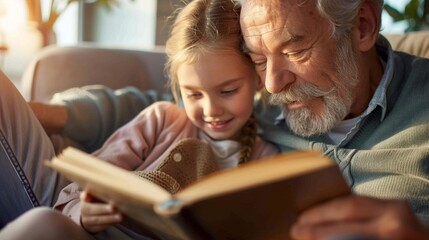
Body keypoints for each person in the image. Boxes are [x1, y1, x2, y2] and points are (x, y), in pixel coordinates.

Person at [1, 0, 429, 239]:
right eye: (258, 61)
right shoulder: (258, 100)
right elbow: (163, 102)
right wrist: (55, 111)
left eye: (297, 52)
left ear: (363, 26)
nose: (274, 85)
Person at [1, 0, 277, 239]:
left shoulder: (267, 160)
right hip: (100, 235)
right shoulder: (162, 119)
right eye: (193, 94)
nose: (211, 109)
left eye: (228, 91)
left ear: (258, 80)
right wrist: (83, 213)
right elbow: (83, 186)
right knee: (43, 222)